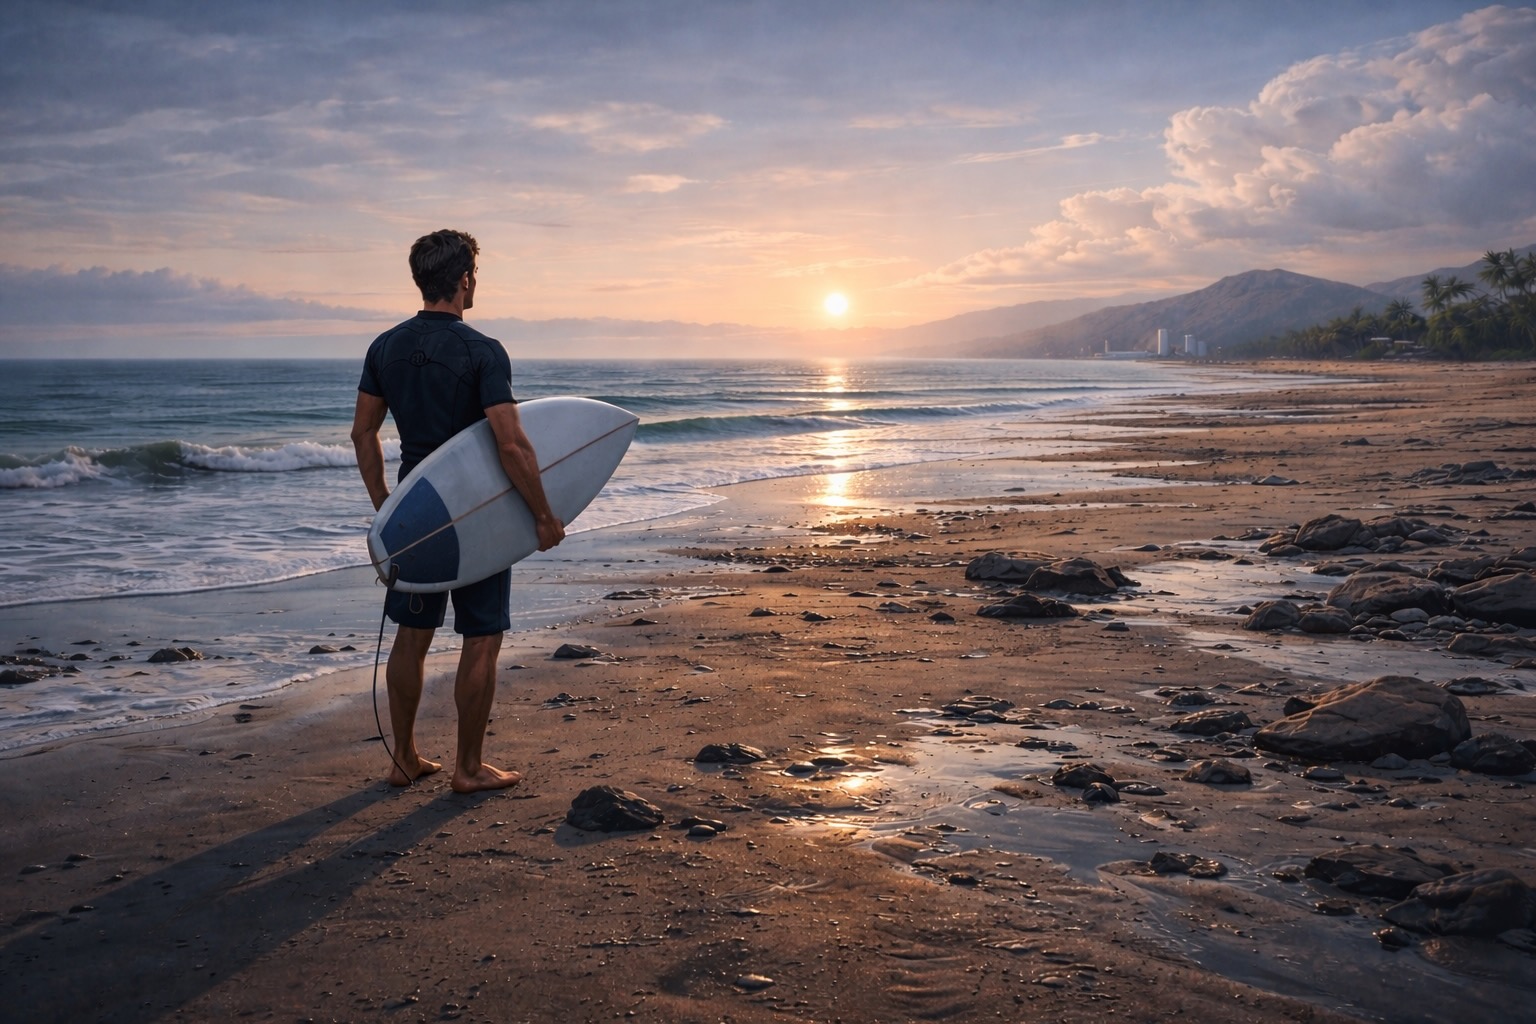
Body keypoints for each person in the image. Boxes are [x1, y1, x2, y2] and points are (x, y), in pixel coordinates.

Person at [351, 229, 565, 793]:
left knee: (412, 636)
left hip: (416, 515)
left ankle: (404, 759)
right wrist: (543, 515)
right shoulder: (482, 351)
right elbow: (511, 444)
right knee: (481, 636)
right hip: (480, 516)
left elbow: (363, 434)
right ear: (465, 277)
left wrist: (386, 513)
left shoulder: (384, 348)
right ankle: (467, 768)